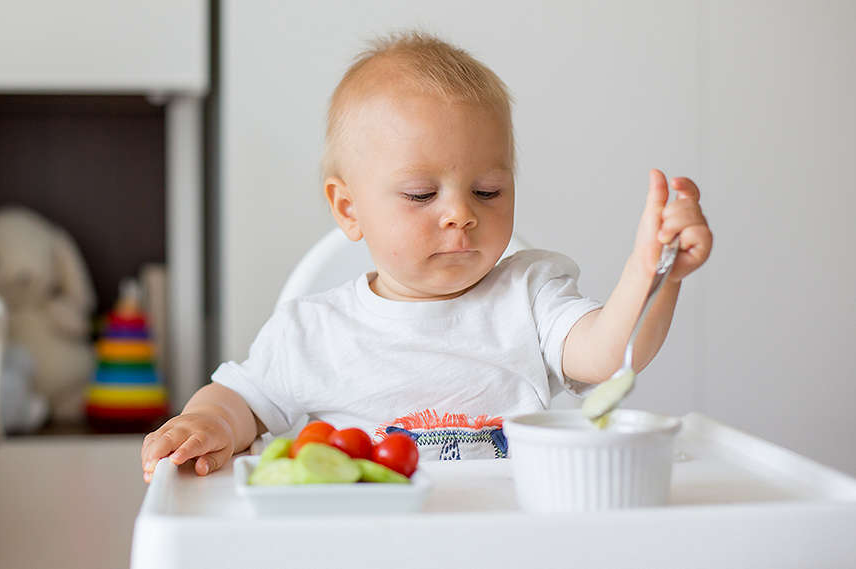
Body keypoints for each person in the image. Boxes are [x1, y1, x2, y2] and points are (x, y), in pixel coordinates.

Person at [140, 30, 712, 481]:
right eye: (420, 194)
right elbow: (242, 400)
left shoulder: (531, 294)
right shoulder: (312, 332)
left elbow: (608, 356)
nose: (461, 213)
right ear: (349, 208)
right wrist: (205, 422)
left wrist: (654, 272)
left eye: (488, 190)